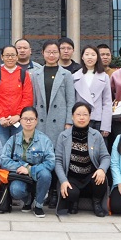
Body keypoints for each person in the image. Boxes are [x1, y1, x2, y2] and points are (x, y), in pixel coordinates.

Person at [30, 40, 75, 209]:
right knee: (41, 156)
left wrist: (69, 122)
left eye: (54, 52)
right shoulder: (35, 74)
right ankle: (44, 192)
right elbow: (33, 100)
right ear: (42, 53)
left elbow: (71, 100)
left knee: (57, 158)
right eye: (48, 52)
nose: (51, 55)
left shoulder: (66, 74)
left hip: (60, 122)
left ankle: (55, 192)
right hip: (41, 121)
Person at [55, 101, 110, 217]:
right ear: (72, 116)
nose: (81, 117)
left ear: (89, 117)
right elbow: (58, 161)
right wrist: (63, 181)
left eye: (85, 114)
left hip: (90, 176)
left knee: (101, 179)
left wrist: (102, 169)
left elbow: (105, 156)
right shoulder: (63, 136)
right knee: (70, 193)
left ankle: (96, 202)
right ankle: (74, 202)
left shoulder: (96, 135)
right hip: (71, 177)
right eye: (78, 114)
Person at [0, 106, 56, 218]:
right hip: (21, 176)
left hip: (38, 175)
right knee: (15, 190)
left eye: (31, 119)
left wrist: (30, 169)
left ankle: (38, 205)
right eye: (25, 119)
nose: (28, 122)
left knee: (46, 175)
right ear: (20, 120)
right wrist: (23, 166)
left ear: (36, 120)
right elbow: (4, 160)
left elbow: (50, 162)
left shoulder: (44, 140)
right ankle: (28, 201)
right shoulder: (13, 139)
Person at [0, 45, 34, 143]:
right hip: (0, 122)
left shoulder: (23, 74)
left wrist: (18, 115)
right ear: (2, 57)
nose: (10, 58)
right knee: (2, 149)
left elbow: (27, 97)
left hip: (19, 121)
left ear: (17, 57)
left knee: (20, 148)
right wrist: (0, 117)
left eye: (13, 55)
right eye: (7, 55)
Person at [72, 45, 113, 139]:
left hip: (98, 121)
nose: (90, 57)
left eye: (93, 55)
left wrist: (106, 126)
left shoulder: (104, 77)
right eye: (87, 54)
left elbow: (107, 102)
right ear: (82, 57)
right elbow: (72, 101)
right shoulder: (74, 77)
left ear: (97, 57)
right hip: (80, 120)